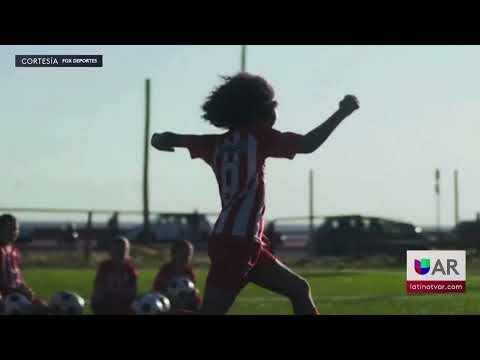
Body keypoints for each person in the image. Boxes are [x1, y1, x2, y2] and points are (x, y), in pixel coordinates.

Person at [151, 72, 359, 314]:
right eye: (272, 105)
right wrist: (341, 113)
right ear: (256, 110)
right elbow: (308, 144)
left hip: (242, 243)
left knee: (299, 289)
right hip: (236, 244)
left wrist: (160, 139)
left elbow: (171, 138)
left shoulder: (215, 143)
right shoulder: (259, 137)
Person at [0, 214, 49, 314]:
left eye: (16, 229)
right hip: (5, 298)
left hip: (16, 296)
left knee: (44, 307)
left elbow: (18, 279)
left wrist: (26, 290)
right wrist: (15, 291)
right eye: (9, 228)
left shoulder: (15, 251)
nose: (13, 232)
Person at [91, 236, 138, 315]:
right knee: (98, 303)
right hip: (107, 300)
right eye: (117, 250)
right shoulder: (105, 267)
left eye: (123, 250)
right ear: (111, 251)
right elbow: (98, 288)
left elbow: (133, 292)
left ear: (127, 252)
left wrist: (121, 296)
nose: (120, 253)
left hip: (123, 301)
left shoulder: (130, 269)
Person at [153, 240, 202, 312]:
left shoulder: (189, 272)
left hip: (186, 304)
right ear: (174, 254)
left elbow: (191, 291)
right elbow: (157, 290)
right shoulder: (166, 270)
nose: (187, 256)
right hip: (169, 303)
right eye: (184, 253)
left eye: (189, 254)